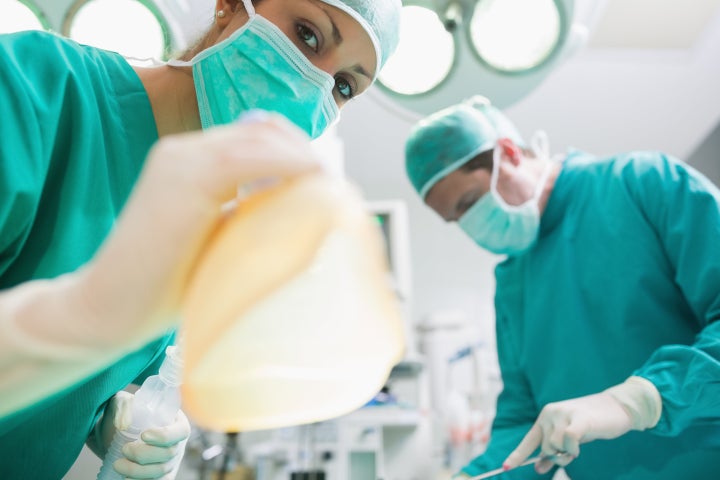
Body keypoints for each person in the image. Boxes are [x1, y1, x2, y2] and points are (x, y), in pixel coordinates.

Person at [0, 0, 401, 477]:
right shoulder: (33, 88)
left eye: (343, 86)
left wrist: (116, 418)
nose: (315, 85)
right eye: (308, 35)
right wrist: (82, 316)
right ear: (229, 6)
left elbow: (81, 385)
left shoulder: (211, 222)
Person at [404, 97, 720, 479]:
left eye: (470, 201)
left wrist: (639, 401)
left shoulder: (644, 183)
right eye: (457, 218)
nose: (471, 224)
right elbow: (523, 424)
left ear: (508, 153)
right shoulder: (512, 284)